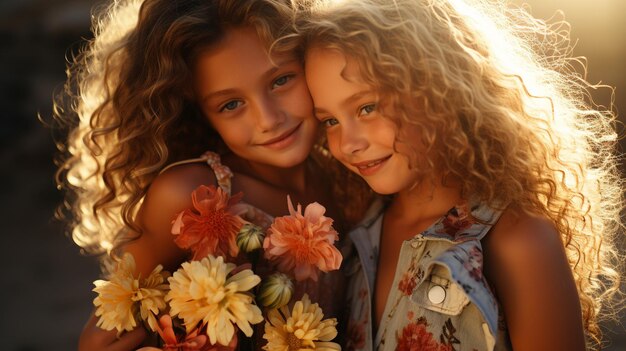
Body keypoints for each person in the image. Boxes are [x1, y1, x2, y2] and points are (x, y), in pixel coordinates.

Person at [293, 0, 624, 350]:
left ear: (438, 87)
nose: (347, 144)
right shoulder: (351, 233)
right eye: (330, 120)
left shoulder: (518, 239)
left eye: (367, 107)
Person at [53, 0, 371, 350]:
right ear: (200, 113)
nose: (268, 120)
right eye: (231, 105)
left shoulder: (350, 168)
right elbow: (106, 329)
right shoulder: (192, 195)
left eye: (281, 80)